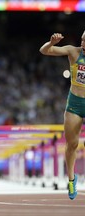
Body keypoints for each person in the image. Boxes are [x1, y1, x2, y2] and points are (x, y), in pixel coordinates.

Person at [39, 32, 85, 200]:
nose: (83, 43)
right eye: (82, 39)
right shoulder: (74, 52)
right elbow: (44, 51)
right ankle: (71, 179)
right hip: (75, 104)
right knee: (72, 144)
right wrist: (51, 42)